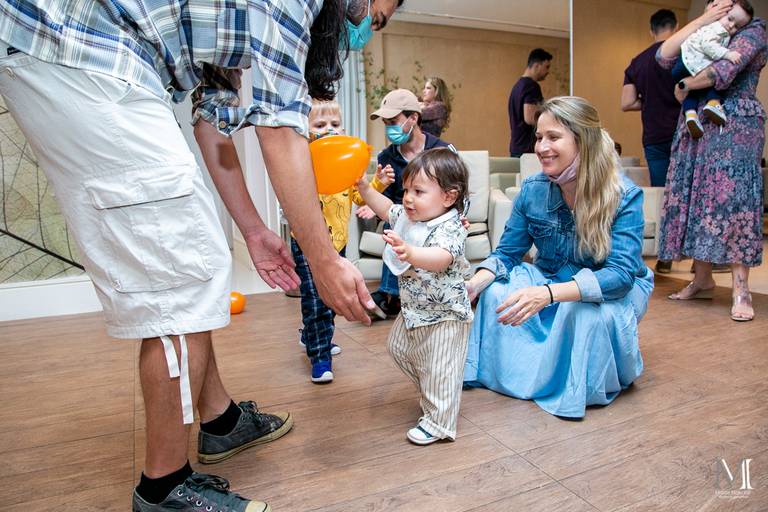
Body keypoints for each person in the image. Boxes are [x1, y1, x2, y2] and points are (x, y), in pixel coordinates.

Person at [0, 0, 404, 510]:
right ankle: (163, 487)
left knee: (196, 257)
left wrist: (255, 231)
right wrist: (323, 260)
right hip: (85, 53)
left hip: (83, 57)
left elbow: (212, 122)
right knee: (179, 279)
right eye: (369, 9)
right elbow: (280, 131)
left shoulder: (237, 28)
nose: (361, 22)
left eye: (376, 21)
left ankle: (219, 420)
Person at [463, 96, 654, 419]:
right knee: (495, 292)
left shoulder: (624, 195)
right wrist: (474, 284)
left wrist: (548, 295)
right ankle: (529, 375)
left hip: (607, 291)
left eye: (553, 137)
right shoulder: (532, 190)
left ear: (583, 140)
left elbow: (620, 276)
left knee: (582, 315)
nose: (541, 147)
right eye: (539, 137)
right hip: (551, 278)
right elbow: (508, 253)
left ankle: (573, 383)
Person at [656, 0, 765, 322]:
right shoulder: (706, 28)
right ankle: (702, 278)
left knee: (734, 202)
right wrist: (703, 20)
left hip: (735, 126)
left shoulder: (754, 31)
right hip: (697, 124)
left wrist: (685, 84)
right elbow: (663, 57)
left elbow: (723, 72)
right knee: (696, 199)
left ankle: (741, 288)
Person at [355, 148, 472, 445]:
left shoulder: (451, 227)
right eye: (406, 189)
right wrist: (366, 188)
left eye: (418, 191)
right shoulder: (408, 217)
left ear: (448, 197)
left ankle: (440, 423)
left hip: (446, 314)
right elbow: (385, 208)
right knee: (398, 348)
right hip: (414, 310)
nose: (407, 198)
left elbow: (442, 257)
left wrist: (411, 252)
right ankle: (436, 392)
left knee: (440, 369)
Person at [293, 99, 394, 383]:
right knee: (315, 299)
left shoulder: (346, 164)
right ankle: (320, 354)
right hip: (307, 243)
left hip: (337, 242)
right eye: (321, 125)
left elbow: (361, 196)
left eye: (335, 125)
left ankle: (313, 335)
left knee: (328, 296)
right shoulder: (303, 163)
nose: (330, 130)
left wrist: (379, 182)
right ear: (306, 129)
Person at [362, 89, 456, 320]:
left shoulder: (442, 151)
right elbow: (391, 200)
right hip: (405, 215)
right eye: (386, 123)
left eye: (393, 121)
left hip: (436, 217)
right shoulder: (386, 157)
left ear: (413, 118)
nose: (388, 128)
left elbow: (458, 191)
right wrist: (372, 195)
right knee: (395, 230)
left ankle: (389, 296)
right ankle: (391, 295)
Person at [622, 9, 681, 275]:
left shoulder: (638, 62)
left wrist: (650, 101)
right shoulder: (683, 52)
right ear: (676, 26)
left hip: (655, 136)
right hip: (686, 133)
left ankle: (665, 256)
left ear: (651, 30)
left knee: (664, 195)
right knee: (692, 193)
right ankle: (705, 261)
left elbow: (627, 102)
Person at [670, 1, 753, 138]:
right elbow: (708, 45)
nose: (731, 26)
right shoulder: (716, 28)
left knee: (694, 91)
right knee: (715, 80)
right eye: (730, 19)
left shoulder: (720, 28)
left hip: (688, 63)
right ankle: (713, 103)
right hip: (690, 62)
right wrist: (727, 54)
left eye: (736, 26)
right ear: (720, 13)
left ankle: (690, 114)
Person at [508, 48, 553, 157]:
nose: (548, 71)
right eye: (546, 67)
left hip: (517, 146)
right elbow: (530, 118)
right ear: (537, 65)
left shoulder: (518, 86)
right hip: (527, 149)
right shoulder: (531, 86)